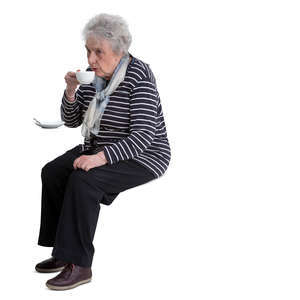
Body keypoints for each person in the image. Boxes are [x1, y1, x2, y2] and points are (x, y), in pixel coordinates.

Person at [35, 13, 171, 291]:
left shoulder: (139, 77)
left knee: (84, 181)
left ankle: (80, 264)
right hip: (100, 145)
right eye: (88, 50)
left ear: (120, 52)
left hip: (143, 155)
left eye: (99, 52)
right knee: (53, 171)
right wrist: (71, 91)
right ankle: (62, 251)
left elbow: (144, 135)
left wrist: (99, 159)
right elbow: (73, 121)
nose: (91, 59)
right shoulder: (94, 76)